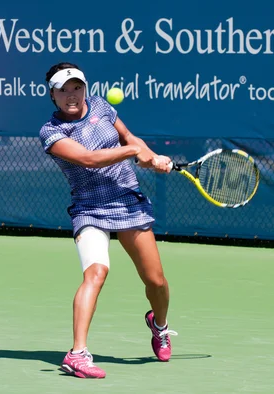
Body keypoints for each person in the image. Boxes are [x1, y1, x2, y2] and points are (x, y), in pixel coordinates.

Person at [39, 62, 178, 379]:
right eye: (64, 90)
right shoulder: (51, 132)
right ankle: (77, 354)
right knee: (96, 273)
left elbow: (129, 137)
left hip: (127, 200)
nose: (72, 95)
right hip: (89, 207)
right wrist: (132, 152)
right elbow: (88, 159)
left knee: (156, 282)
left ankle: (159, 326)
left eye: (77, 87)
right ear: (53, 95)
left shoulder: (101, 105)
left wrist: (151, 156)